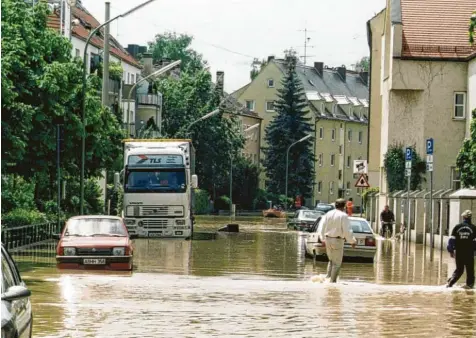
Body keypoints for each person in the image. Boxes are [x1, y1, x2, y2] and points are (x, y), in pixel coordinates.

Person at [319, 198, 356, 283]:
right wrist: (352, 241)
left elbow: (322, 227)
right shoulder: (343, 216)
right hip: (337, 240)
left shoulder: (328, 214)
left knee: (331, 261)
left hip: (328, 239)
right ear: (344, 206)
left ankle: (327, 279)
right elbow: (347, 231)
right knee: (337, 264)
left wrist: (322, 239)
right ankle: (332, 283)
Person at [446, 210, 476, 289]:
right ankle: (469, 285)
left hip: (459, 252)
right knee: (470, 270)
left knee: (459, 270)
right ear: (470, 217)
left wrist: (451, 251)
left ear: (463, 217)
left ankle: (450, 283)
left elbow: (451, 240)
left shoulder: (457, 227)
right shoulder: (474, 228)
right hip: (469, 253)